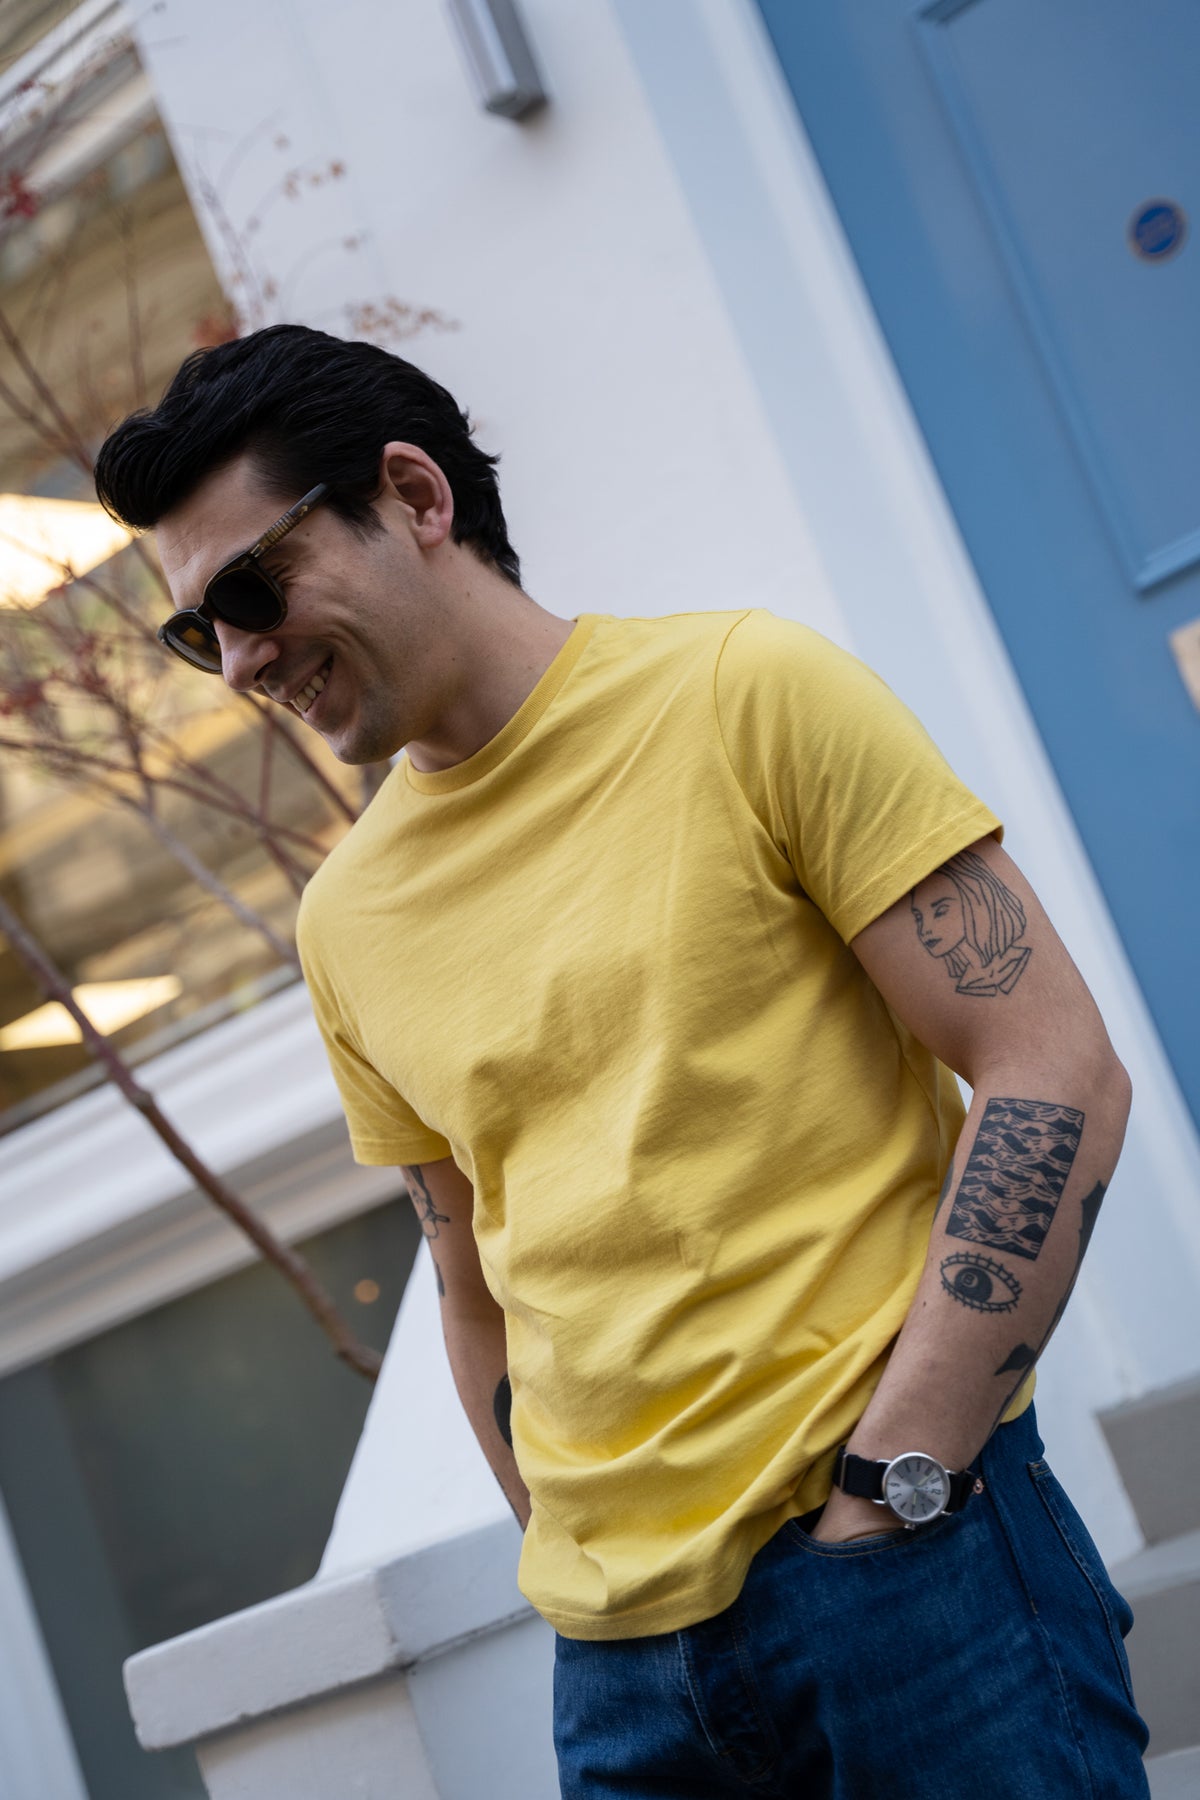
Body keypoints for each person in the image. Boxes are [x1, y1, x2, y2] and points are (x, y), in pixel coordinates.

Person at [95, 323, 1150, 1798]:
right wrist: (571, 1552)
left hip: (912, 1578)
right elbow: (470, 1281)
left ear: (415, 496)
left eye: (251, 592)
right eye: (197, 633)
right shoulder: (346, 923)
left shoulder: (746, 696)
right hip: (621, 1677)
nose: (239, 660)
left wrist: (898, 1484)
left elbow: (1053, 1066)